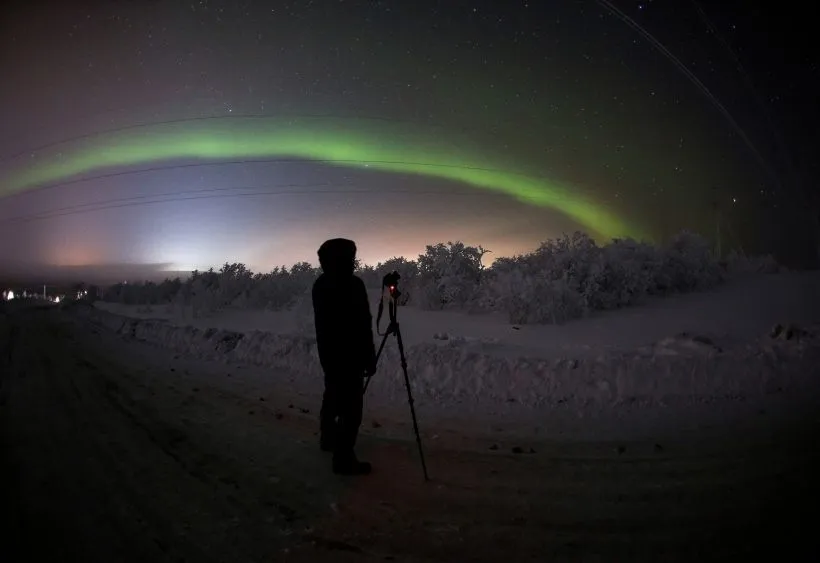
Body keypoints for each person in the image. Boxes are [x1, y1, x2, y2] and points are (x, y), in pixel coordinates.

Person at [312, 238, 377, 475]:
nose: (354, 262)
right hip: (349, 358)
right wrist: (368, 357)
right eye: (350, 258)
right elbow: (363, 324)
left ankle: (328, 438)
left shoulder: (320, 285)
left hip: (329, 355)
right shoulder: (352, 285)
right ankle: (343, 459)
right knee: (351, 410)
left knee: (332, 396)